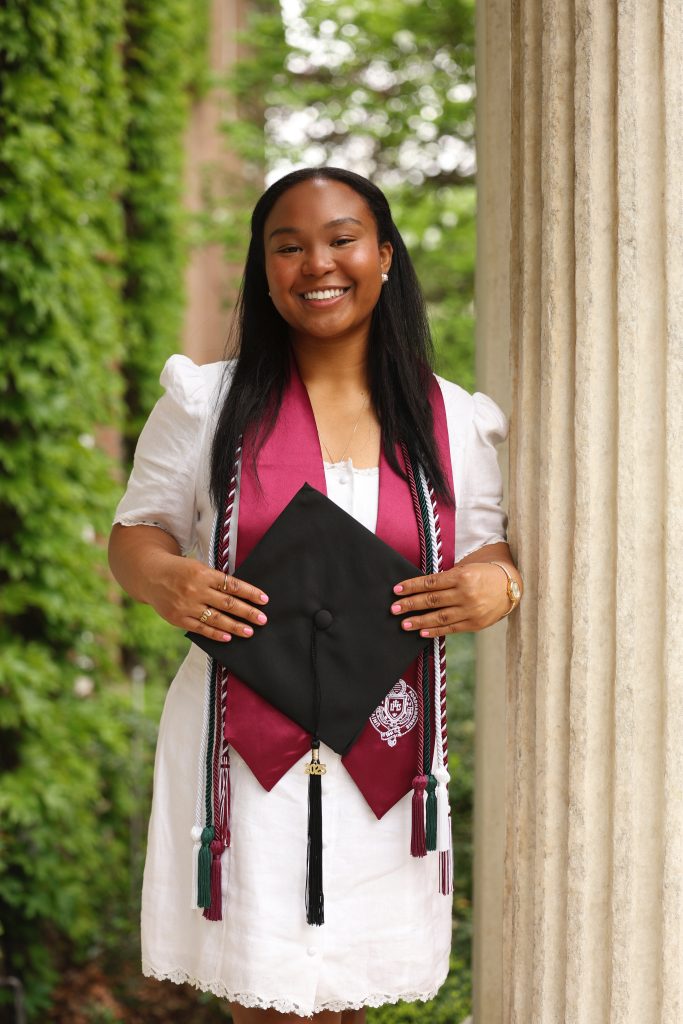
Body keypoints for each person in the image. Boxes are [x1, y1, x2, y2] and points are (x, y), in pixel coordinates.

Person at [108, 166, 522, 1023]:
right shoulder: (206, 402)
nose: (315, 264)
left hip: (383, 740)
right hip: (240, 741)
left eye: (340, 239)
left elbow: (482, 544)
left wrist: (498, 584)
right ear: (265, 270)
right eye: (287, 246)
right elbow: (135, 535)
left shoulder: (449, 418)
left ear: (383, 254)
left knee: (347, 997)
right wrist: (163, 578)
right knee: (263, 998)